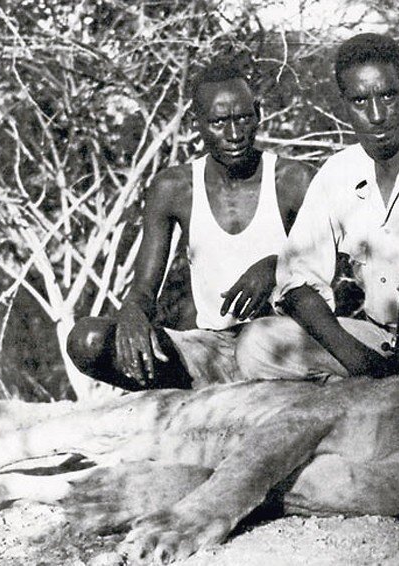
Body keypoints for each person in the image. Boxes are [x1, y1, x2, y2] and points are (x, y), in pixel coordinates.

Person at [66, 59, 312, 391]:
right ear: (195, 123)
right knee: (88, 341)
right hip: (212, 350)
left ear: (259, 113)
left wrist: (276, 267)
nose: (235, 134)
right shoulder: (174, 188)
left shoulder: (293, 179)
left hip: (286, 345)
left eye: (243, 118)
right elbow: (144, 289)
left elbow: (334, 262)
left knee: (263, 342)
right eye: (219, 122)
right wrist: (133, 315)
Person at [235, 33, 399, 380]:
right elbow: (296, 282)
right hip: (379, 340)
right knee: (258, 345)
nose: (376, 115)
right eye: (359, 101)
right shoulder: (338, 172)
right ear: (344, 104)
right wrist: (362, 363)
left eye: (388, 95)